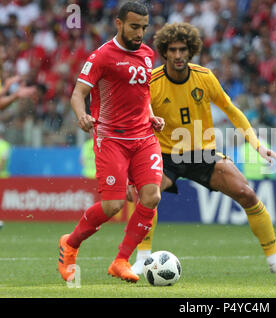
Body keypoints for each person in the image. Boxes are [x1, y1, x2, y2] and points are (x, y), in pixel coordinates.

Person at [131, 22, 276, 275]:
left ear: (191, 51)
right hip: (164, 155)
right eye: (172, 50)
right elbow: (137, 122)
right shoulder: (152, 82)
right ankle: (142, 259)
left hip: (203, 153)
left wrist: (257, 145)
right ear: (164, 52)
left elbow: (232, 111)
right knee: (147, 196)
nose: (178, 55)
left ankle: (275, 262)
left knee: (247, 194)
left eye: (182, 50)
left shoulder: (204, 77)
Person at [58, 2, 165, 284]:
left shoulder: (147, 54)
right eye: (134, 27)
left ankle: (121, 260)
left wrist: (152, 116)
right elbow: (78, 93)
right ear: (118, 24)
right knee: (113, 206)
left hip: (144, 137)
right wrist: (82, 116)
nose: (140, 33)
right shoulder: (102, 56)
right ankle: (70, 244)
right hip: (111, 139)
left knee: (152, 196)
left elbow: (143, 94)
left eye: (144, 27)